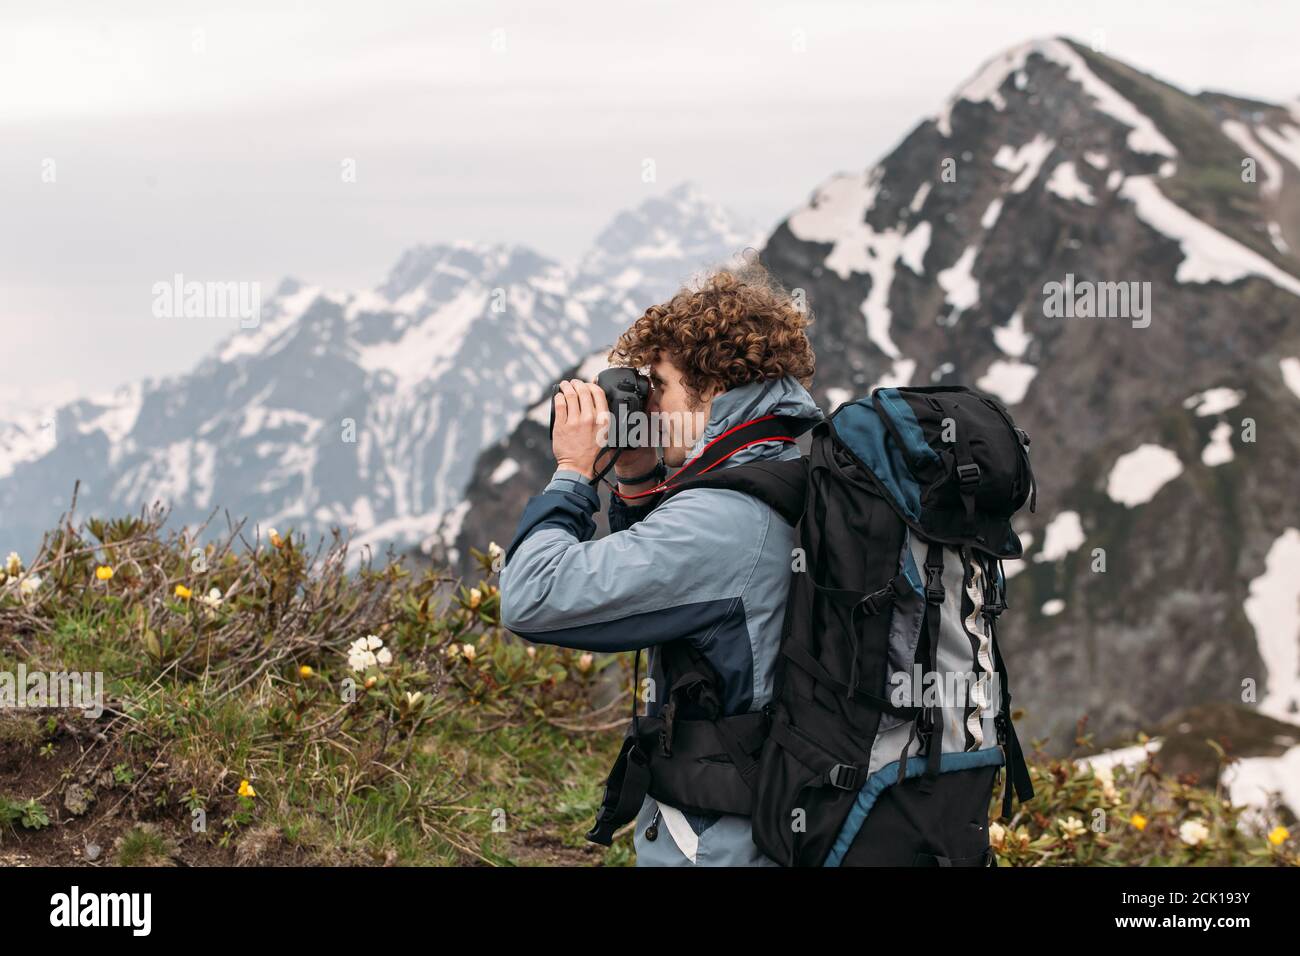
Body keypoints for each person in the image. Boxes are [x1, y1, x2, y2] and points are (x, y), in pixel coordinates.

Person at [498, 261, 820, 865]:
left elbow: (532, 598)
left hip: (722, 842)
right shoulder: (782, 467)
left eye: (661, 385)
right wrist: (637, 475)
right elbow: (676, 591)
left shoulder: (727, 520)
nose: (648, 400)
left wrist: (572, 473)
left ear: (714, 386)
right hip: (766, 826)